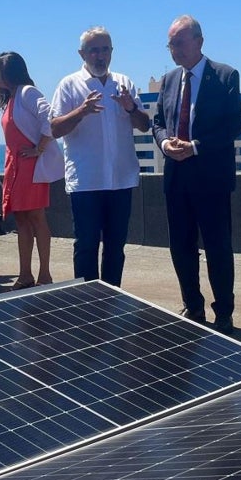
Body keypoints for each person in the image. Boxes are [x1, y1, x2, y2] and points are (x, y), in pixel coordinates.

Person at [152, 15, 241, 333]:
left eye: (179, 42)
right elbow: (158, 121)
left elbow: (233, 126)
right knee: (181, 245)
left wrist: (196, 146)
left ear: (198, 42)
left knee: (218, 247)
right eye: (170, 44)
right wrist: (165, 143)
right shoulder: (169, 80)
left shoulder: (225, 75)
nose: (174, 50)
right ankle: (193, 306)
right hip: (177, 175)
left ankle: (224, 313)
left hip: (211, 176)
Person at [50, 27, 150, 286]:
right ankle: (85, 306)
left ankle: (112, 300)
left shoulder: (124, 83)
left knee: (116, 247)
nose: (100, 55)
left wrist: (131, 108)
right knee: (86, 246)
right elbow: (55, 128)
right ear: (82, 53)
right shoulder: (69, 84)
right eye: (94, 50)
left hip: (120, 179)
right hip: (87, 181)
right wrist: (80, 112)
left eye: (105, 49)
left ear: (112, 52)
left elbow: (144, 124)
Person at [0, 52, 63, 289]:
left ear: (8, 72)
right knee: (22, 219)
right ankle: (25, 274)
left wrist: (39, 148)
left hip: (29, 167)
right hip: (15, 166)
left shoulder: (27, 92)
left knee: (36, 217)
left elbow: (50, 117)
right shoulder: (12, 98)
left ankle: (44, 273)